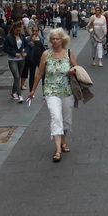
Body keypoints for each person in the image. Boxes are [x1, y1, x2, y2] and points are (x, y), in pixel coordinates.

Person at [26, 28, 78, 162]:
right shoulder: (46, 54)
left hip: (67, 91)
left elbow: (77, 68)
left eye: (57, 39)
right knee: (56, 117)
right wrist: (33, 90)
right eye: (53, 39)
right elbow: (39, 73)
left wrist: (73, 71)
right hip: (51, 90)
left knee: (66, 119)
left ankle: (63, 140)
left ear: (62, 40)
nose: (55, 41)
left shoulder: (69, 53)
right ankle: (58, 149)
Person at [23, 24, 46, 93]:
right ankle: (31, 90)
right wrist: (32, 41)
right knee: (32, 74)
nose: (35, 32)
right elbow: (28, 48)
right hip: (32, 58)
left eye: (36, 31)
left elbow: (42, 47)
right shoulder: (29, 39)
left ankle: (44, 89)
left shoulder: (41, 38)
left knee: (43, 74)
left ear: (38, 31)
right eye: (33, 31)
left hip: (40, 58)